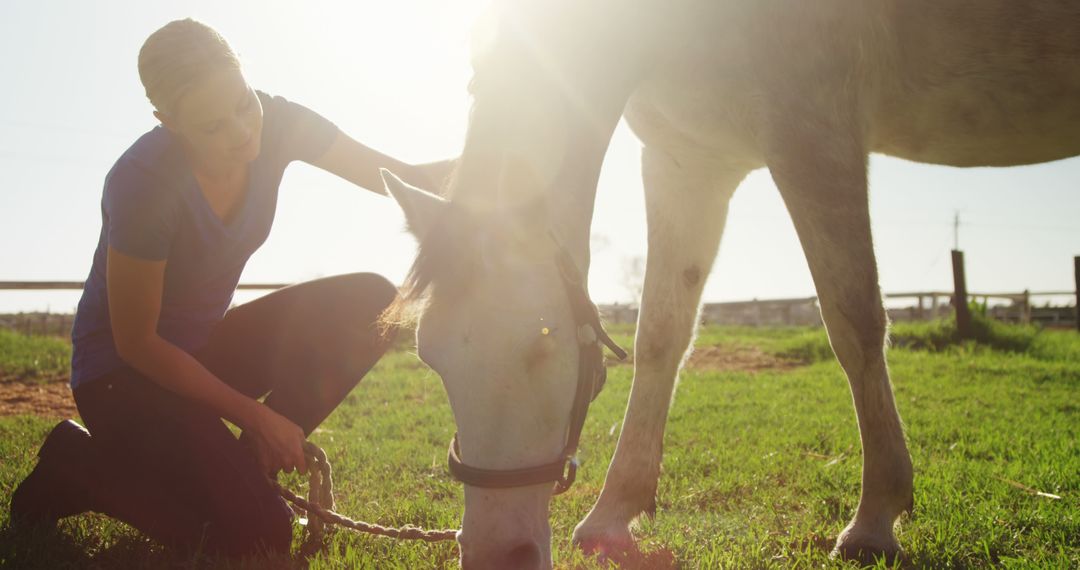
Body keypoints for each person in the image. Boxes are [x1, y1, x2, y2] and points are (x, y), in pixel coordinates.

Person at [9, 18, 452, 558]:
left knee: (372, 299)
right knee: (257, 536)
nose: (242, 132)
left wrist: (504, 169)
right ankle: (76, 466)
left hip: (199, 354)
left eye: (243, 104)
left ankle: (244, 475)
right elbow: (137, 344)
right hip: (121, 380)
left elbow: (397, 174)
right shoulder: (144, 184)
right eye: (213, 127)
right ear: (168, 121)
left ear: (246, 75)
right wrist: (258, 416)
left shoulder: (279, 122)